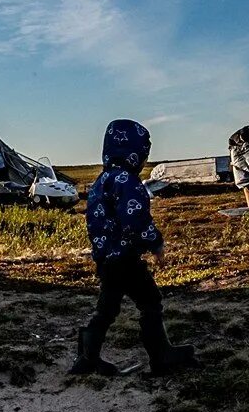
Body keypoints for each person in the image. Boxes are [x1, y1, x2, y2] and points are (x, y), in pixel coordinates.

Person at [70, 118, 197, 377]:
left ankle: (86, 358)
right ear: (134, 153)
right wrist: (155, 242)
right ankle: (161, 357)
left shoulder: (100, 182)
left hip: (106, 261)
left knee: (106, 309)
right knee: (150, 302)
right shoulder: (127, 181)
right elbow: (135, 219)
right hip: (127, 259)